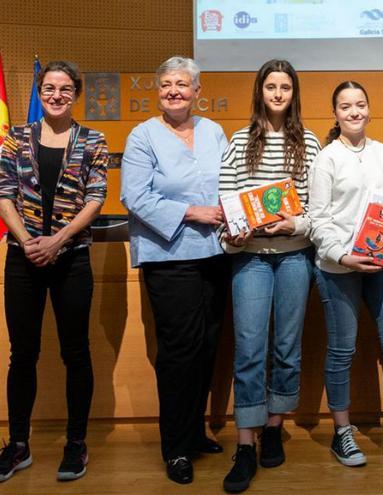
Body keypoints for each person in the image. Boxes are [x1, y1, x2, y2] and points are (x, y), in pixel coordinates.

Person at [120, 56, 229, 484]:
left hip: (216, 255)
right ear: (158, 91)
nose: (173, 91)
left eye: (182, 84)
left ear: (197, 91)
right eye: (166, 85)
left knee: (207, 346)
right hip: (169, 257)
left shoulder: (213, 131)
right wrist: (192, 212)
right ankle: (176, 447)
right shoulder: (142, 135)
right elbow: (135, 196)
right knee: (179, 352)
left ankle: (195, 430)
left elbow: (232, 184)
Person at [0, 61, 107, 482]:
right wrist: (28, 241)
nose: (56, 94)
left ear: (76, 93)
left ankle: (76, 444)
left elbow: (95, 199)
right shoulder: (14, 138)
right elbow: (3, 194)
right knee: (21, 355)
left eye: (65, 88)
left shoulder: (93, 140)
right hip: (22, 257)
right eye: (49, 87)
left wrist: (57, 240)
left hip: (72, 258)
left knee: (76, 353)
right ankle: (18, 445)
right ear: (40, 92)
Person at [310, 81, 383, 467]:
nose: (354, 112)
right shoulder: (326, 158)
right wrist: (343, 256)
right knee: (342, 350)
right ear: (336, 113)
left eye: (360, 104)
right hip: (337, 267)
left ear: (369, 109)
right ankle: (342, 433)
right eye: (346, 106)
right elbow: (317, 220)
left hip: (379, 265)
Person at [219, 59, 321, 493]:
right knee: (249, 347)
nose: (278, 94)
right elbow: (227, 196)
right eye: (270, 87)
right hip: (251, 259)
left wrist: (293, 225)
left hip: (295, 257)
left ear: (294, 93)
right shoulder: (241, 141)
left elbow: (317, 207)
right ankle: (245, 442)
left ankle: (274, 426)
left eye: (285, 87)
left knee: (286, 347)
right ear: (259, 91)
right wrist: (237, 229)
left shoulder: (310, 142)